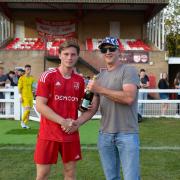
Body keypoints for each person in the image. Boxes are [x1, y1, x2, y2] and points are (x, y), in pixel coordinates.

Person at [66, 37, 141, 180]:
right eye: (104, 49)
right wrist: (78, 122)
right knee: (111, 178)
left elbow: (129, 98)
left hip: (127, 134)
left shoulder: (128, 70)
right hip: (105, 135)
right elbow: (93, 108)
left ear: (119, 51)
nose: (108, 52)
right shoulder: (99, 77)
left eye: (111, 48)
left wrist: (100, 89)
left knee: (132, 178)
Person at [34, 40, 92, 180]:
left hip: (70, 133)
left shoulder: (79, 80)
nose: (69, 57)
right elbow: (40, 105)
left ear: (78, 57)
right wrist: (62, 121)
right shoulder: (48, 76)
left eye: (73, 54)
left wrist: (84, 107)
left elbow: (78, 105)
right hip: (48, 133)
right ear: (59, 55)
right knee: (42, 175)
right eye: (66, 54)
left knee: (70, 173)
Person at [18, 64, 36, 129]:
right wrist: (20, 96)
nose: (29, 70)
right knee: (27, 109)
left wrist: (34, 91)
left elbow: (34, 87)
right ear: (25, 70)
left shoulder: (32, 78)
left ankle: (25, 124)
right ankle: (22, 121)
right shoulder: (21, 78)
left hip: (30, 96)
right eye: (27, 69)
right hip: (24, 96)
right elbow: (19, 88)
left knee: (28, 113)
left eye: (30, 69)